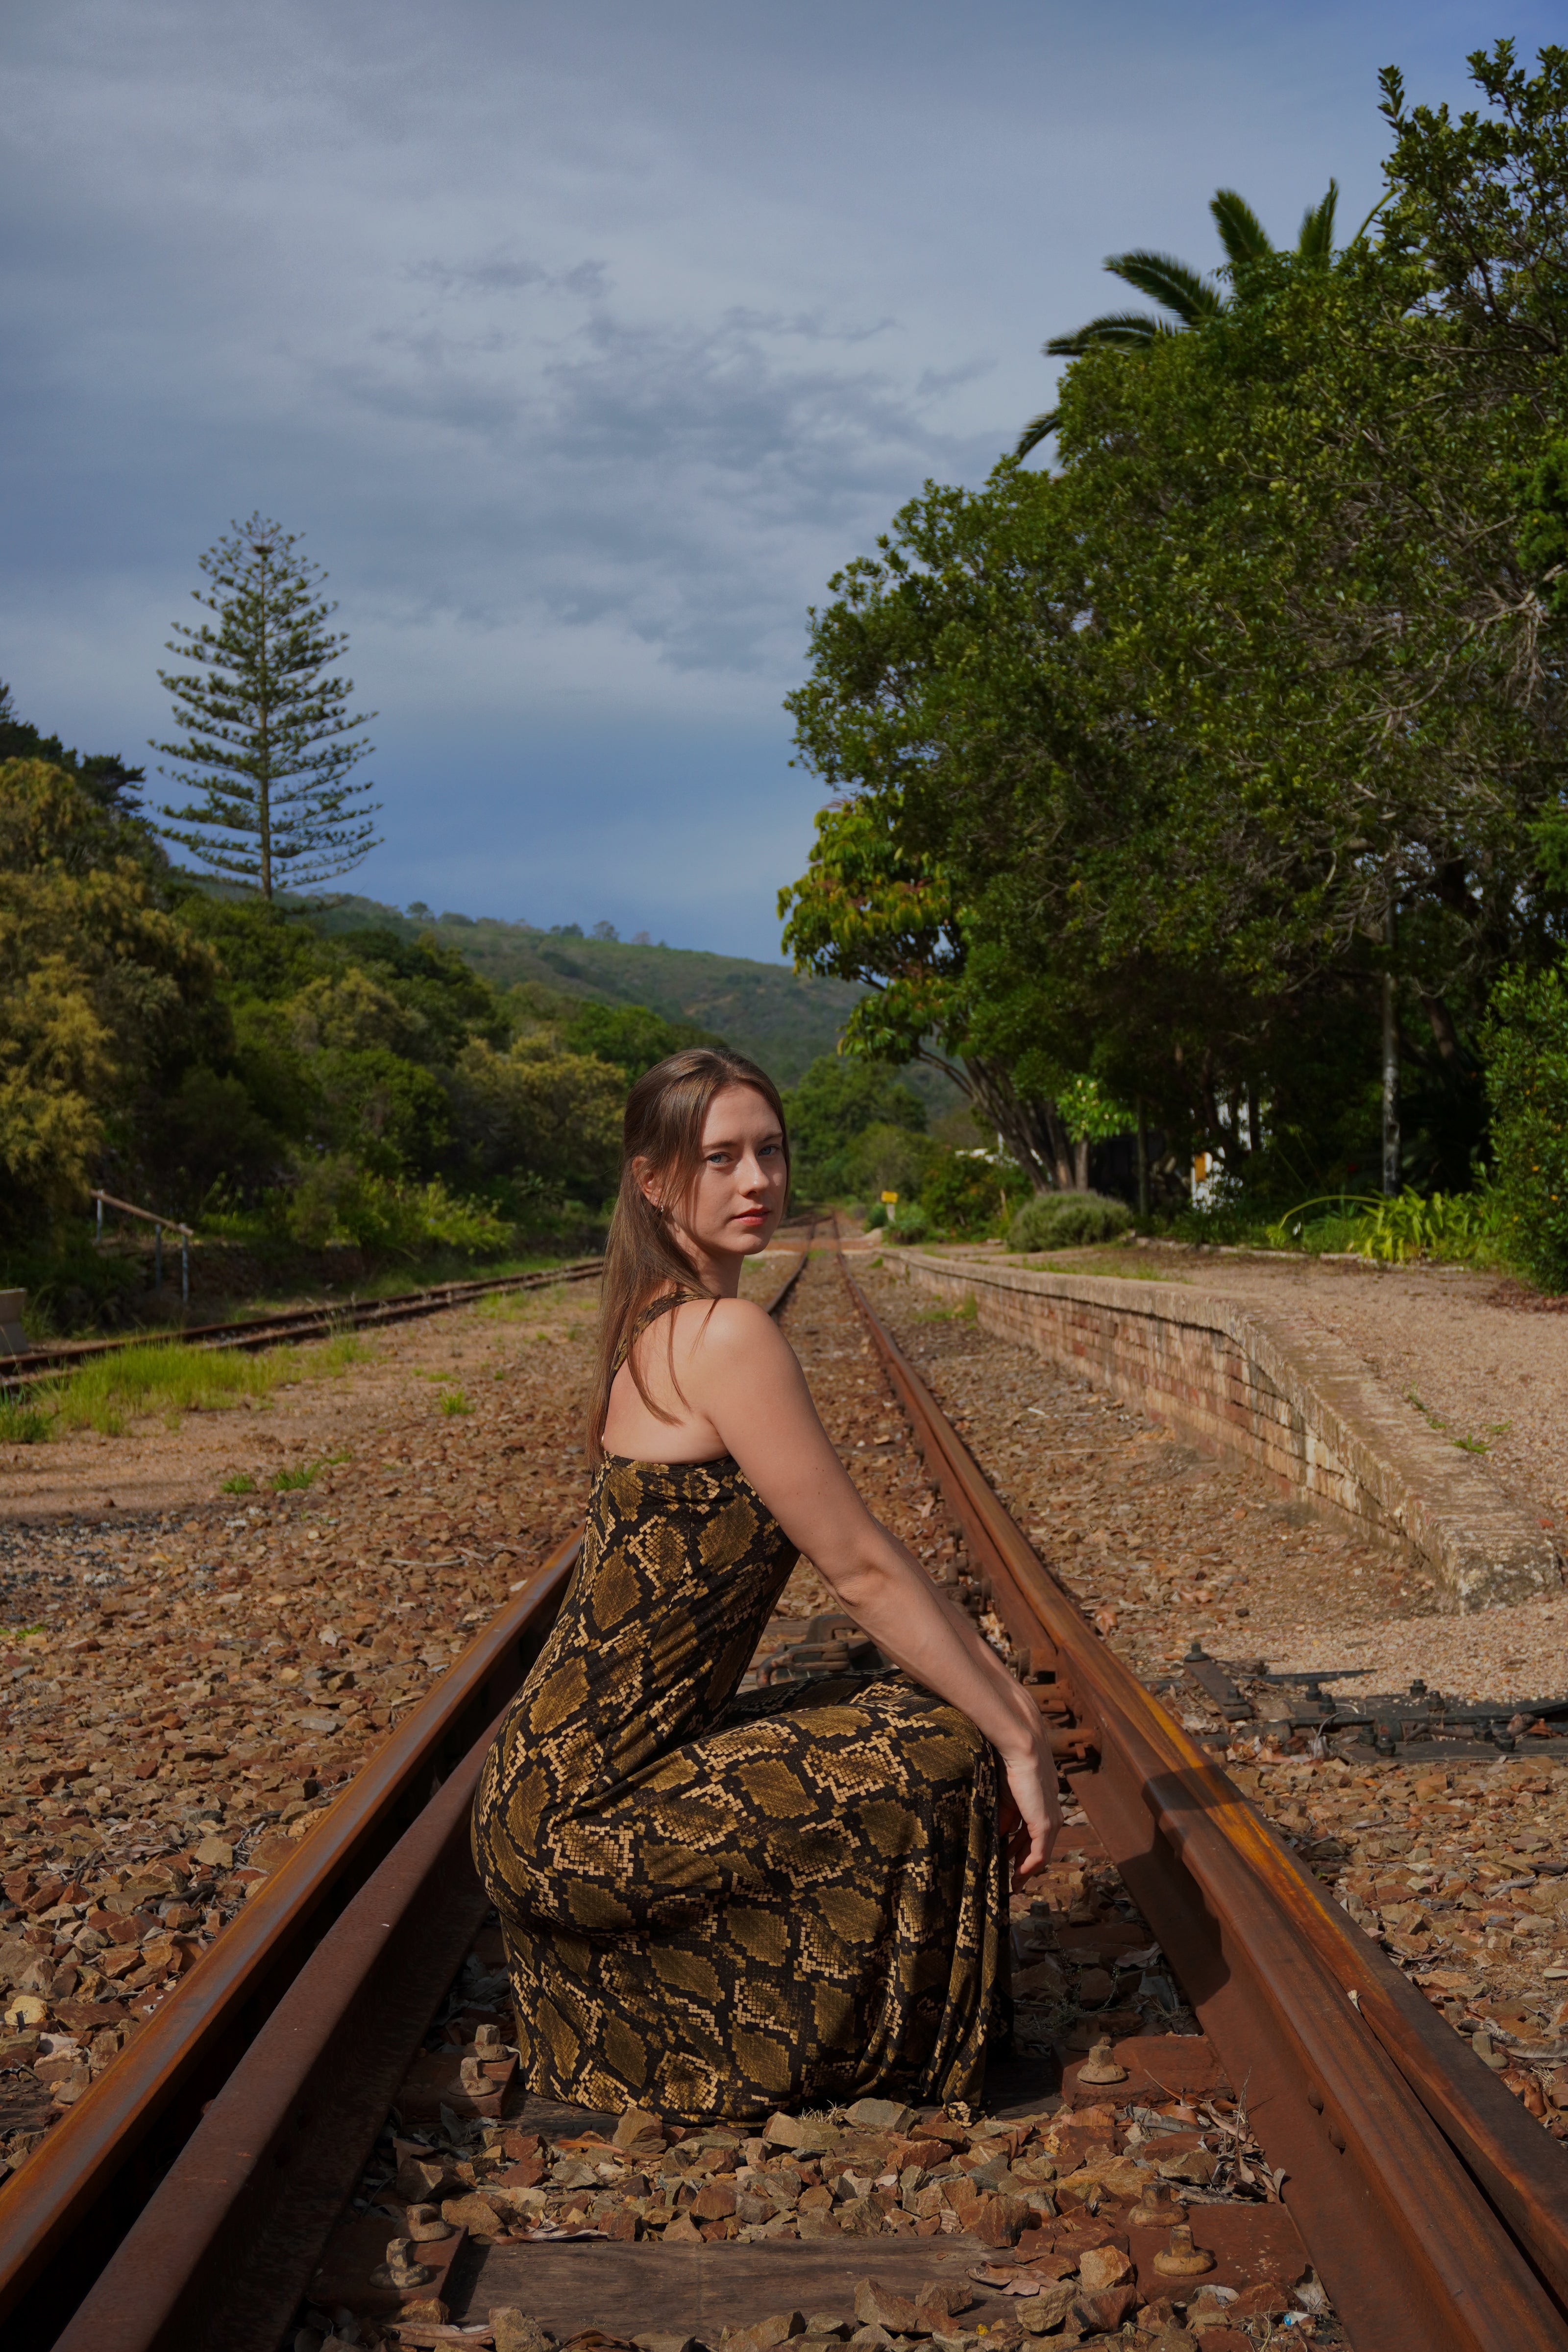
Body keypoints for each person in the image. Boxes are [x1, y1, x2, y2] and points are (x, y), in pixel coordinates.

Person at [471, 1047, 1060, 2123]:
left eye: (771, 1151)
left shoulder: (658, 1319)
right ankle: (865, 2046)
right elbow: (860, 1570)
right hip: (582, 1815)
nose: (758, 1181)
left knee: (926, 1714)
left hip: (550, 1792)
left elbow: (870, 1552)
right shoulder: (724, 1335)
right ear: (654, 1182)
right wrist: (1019, 1737)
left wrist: (1001, 1697)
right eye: (722, 1159)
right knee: (948, 1749)